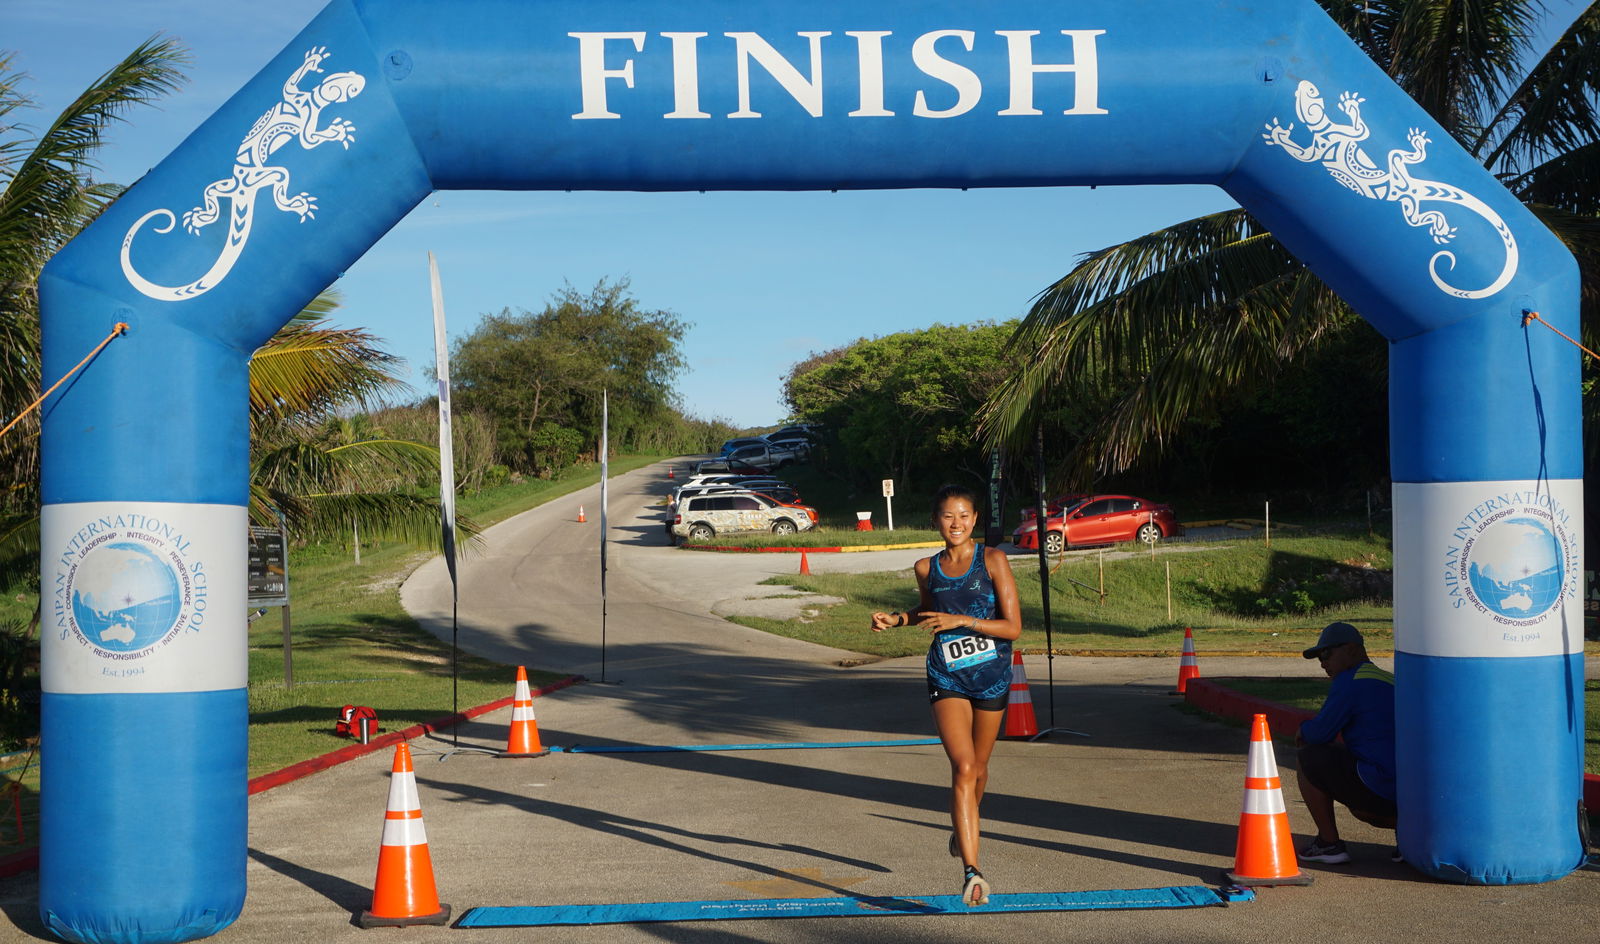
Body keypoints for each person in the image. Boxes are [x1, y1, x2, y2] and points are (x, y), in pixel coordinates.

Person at [870, 484, 1022, 906]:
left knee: (981, 768)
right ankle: (973, 872)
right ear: (936, 521)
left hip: (992, 677)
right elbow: (925, 609)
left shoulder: (992, 560)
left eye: (964, 516)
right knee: (964, 766)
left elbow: (1012, 628)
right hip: (946, 674)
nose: (956, 523)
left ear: (974, 519)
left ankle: (963, 824)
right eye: (947, 516)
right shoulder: (925, 567)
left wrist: (964, 621)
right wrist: (897, 619)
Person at [1295, 620, 1399, 864]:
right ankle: (1406, 841)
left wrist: (1302, 730)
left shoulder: (1351, 681)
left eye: (1327, 653)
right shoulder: (1389, 679)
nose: (1323, 663)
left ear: (1352, 649)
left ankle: (1329, 844)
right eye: (1320, 657)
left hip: (1379, 788)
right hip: (1412, 794)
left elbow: (1319, 734)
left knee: (1309, 755)